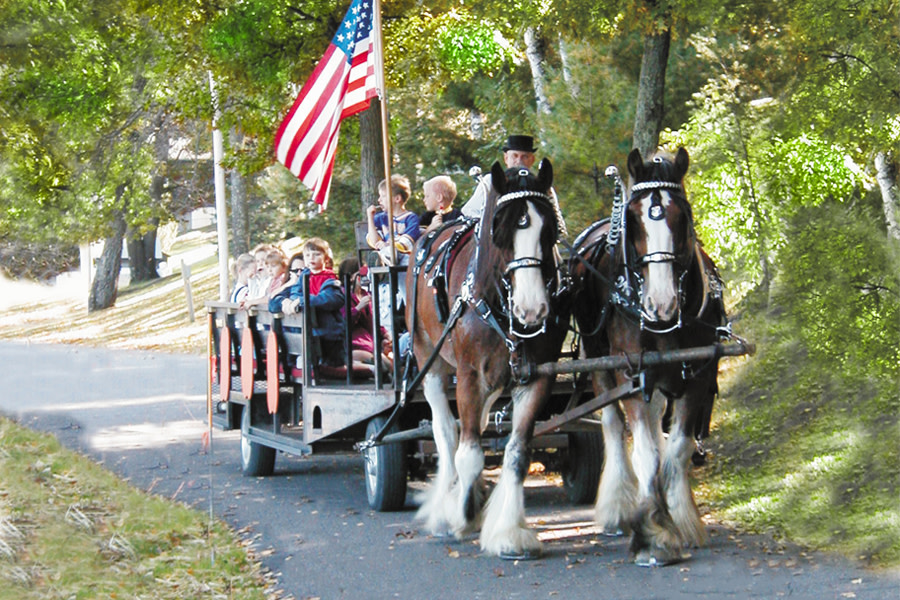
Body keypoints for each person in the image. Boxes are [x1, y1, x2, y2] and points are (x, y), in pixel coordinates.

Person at [460, 134, 567, 237]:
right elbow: (469, 212)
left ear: (532, 160)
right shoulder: (491, 182)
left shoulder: (540, 186)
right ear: (506, 158)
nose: (519, 161)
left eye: (525, 157)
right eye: (515, 156)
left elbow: (558, 225)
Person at [276, 238, 345, 367]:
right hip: (307, 332)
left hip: (328, 333)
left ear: (326, 259)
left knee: (332, 366)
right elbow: (295, 293)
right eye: (307, 255)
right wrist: (290, 301)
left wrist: (300, 301)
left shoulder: (330, 279)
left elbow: (329, 298)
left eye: (317, 254)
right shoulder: (303, 276)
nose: (311, 258)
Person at [338, 258, 393, 374]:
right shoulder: (342, 295)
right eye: (362, 274)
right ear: (352, 277)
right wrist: (357, 309)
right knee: (383, 364)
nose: (365, 277)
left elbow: (371, 321)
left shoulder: (365, 294)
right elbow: (343, 324)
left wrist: (384, 334)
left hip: (369, 344)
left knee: (390, 363)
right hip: (351, 346)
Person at [365, 174, 420, 266]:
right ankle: (380, 264)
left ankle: (384, 263)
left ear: (397, 199)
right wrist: (370, 218)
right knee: (382, 253)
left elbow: (407, 242)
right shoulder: (381, 218)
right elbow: (375, 242)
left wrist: (389, 246)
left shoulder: (410, 218)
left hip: (404, 257)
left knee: (398, 255)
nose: (379, 200)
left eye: (383, 196)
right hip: (383, 253)